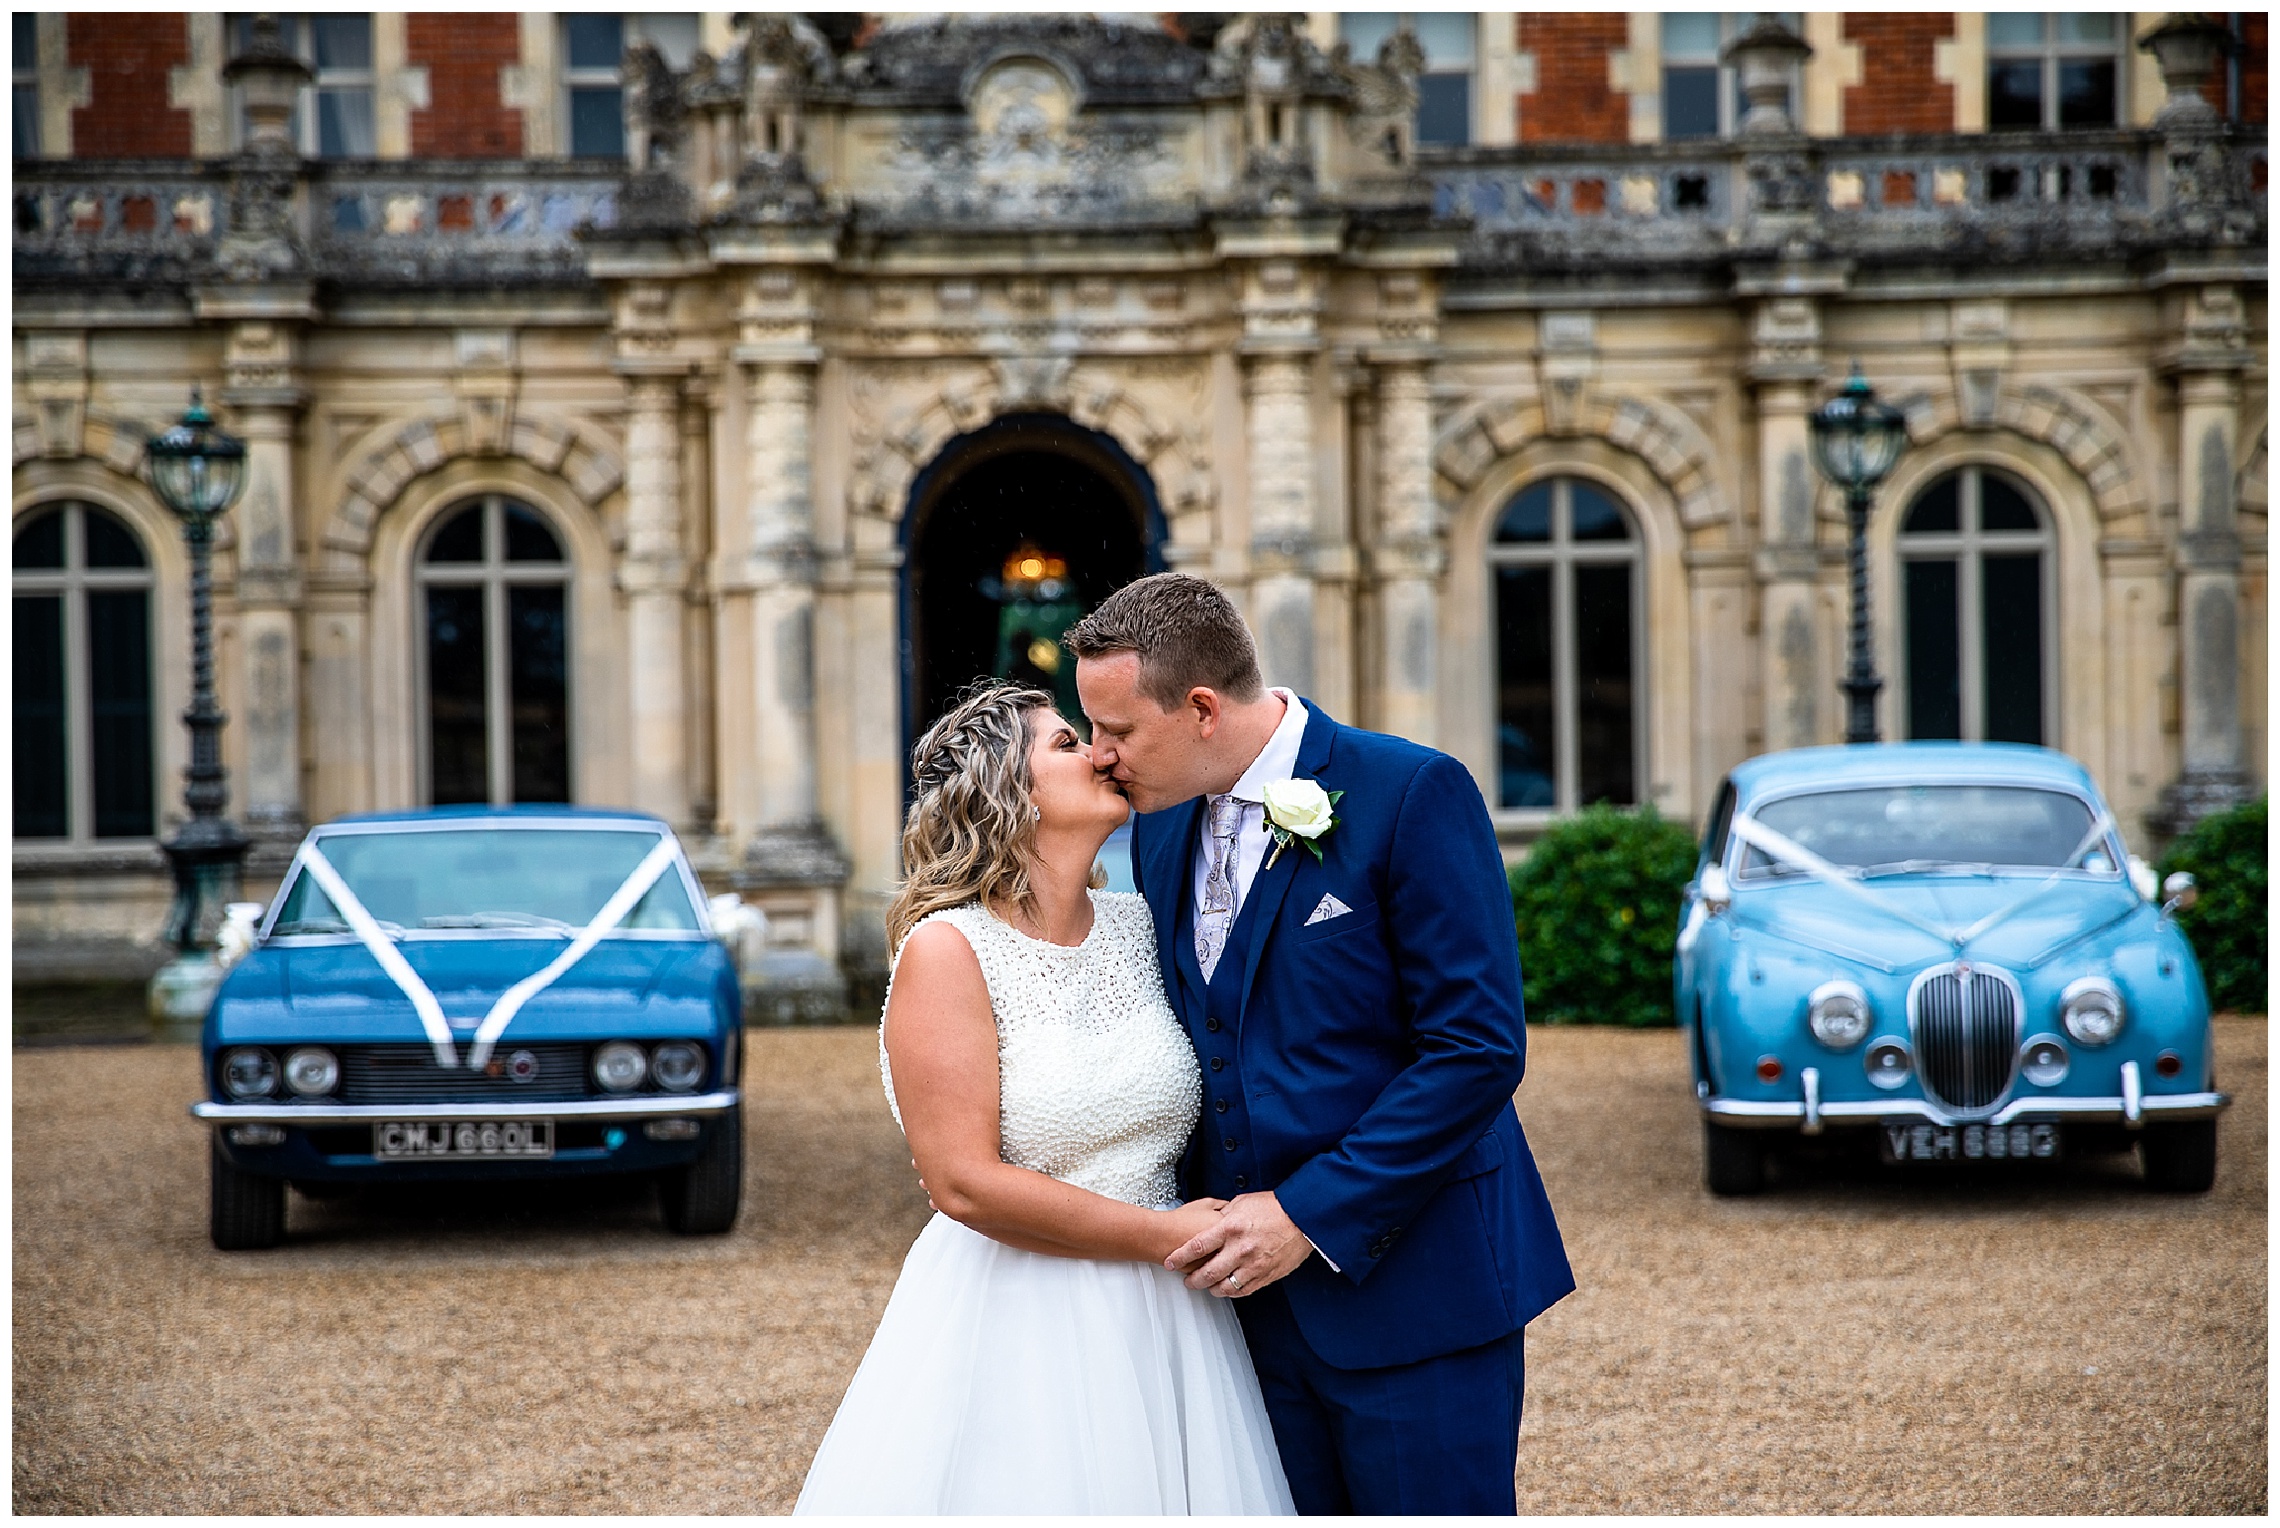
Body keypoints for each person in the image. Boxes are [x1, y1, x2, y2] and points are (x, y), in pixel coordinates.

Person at [1068, 572, 1576, 1516]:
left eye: (1118, 731)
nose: (1100, 758)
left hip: (1417, 1292)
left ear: (1204, 708)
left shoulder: (1412, 791)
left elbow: (1475, 1048)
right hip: (1242, 1321)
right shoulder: (1162, 826)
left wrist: (1306, 1214)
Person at [794, 682, 1294, 1515]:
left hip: (1173, 1319)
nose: (1102, 752)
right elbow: (963, 1183)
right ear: (1007, 793)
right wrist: (1163, 1235)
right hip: (1023, 1313)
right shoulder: (948, 951)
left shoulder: (1142, 928)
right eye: (1067, 742)